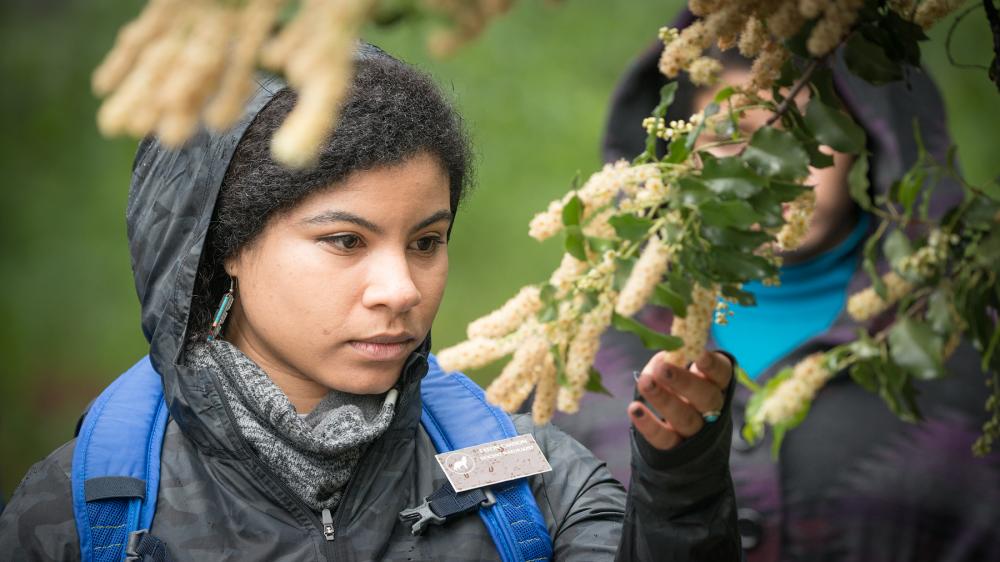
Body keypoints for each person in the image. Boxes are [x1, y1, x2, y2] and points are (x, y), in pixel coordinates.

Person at [0, 44, 743, 561]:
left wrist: (679, 488)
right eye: (345, 242)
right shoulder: (84, 510)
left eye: (425, 242)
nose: (401, 290)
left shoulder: (531, 482)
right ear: (223, 244)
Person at [554, 10, 1000, 562]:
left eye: (804, 132)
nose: (771, 168)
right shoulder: (590, 357)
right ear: (679, 162)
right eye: (730, 136)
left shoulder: (969, 337)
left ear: (859, 135)